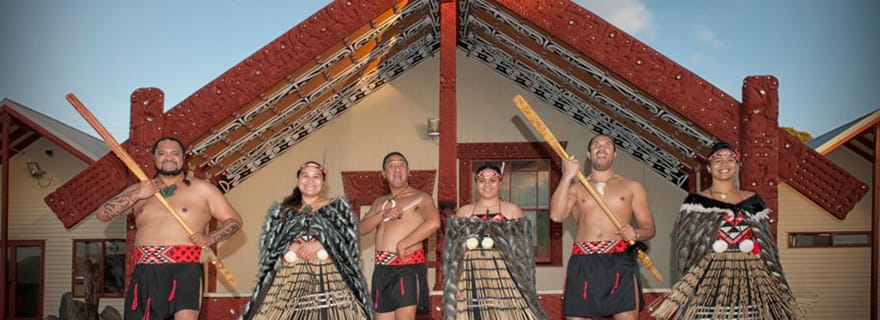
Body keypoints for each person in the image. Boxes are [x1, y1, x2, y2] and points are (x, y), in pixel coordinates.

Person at [650, 142, 805, 320]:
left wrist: (770, 275)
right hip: (708, 280)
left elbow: (767, 245)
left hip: (748, 278)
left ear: (737, 165)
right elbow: (686, 248)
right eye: (718, 160)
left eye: (730, 160)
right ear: (709, 168)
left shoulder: (753, 200)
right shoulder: (696, 202)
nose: (724, 164)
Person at [93, 136, 243, 320]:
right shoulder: (140, 189)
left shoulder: (203, 189)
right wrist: (138, 194)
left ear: (183, 158)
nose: (169, 158)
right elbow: (102, 214)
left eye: (175, 153)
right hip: (145, 271)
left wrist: (211, 238)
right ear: (154, 158)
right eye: (162, 153)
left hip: (185, 269)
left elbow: (234, 220)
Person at [240, 161, 372, 320]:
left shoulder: (337, 207)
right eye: (306, 176)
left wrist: (321, 244)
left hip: (330, 276)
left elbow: (352, 238)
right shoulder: (284, 210)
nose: (310, 181)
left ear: (323, 183)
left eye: (316, 177)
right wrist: (290, 247)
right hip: (289, 278)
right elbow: (269, 246)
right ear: (298, 180)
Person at [549, 134, 655, 320]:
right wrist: (567, 176)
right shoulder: (576, 188)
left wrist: (636, 232)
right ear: (589, 154)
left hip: (620, 261)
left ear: (615, 154)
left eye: (607, 145)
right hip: (584, 261)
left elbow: (649, 228)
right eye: (596, 145)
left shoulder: (632, 187)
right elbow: (556, 215)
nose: (601, 148)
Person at [441, 163, 548, 320]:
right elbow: (452, 255)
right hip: (471, 277)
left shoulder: (512, 210)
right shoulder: (464, 212)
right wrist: (454, 285)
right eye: (482, 180)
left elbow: (524, 255)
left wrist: (524, 284)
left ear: (500, 182)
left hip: (505, 278)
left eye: (493, 180)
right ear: (476, 182)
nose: (487, 185)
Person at [360, 152, 440, 320]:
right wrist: (382, 214)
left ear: (408, 171)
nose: (397, 168)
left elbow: (434, 222)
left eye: (401, 164)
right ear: (383, 174)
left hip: (406, 267)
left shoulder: (420, 198)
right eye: (391, 165)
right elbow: (360, 229)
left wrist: (404, 243)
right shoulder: (380, 202)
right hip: (381, 270)